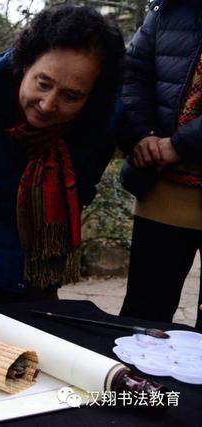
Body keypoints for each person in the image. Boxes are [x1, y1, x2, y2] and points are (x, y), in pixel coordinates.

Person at [0, 5, 125, 307]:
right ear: (23, 66)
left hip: (42, 244)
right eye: (42, 84)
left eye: (71, 96)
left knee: (38, 314)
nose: (47, 104)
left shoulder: (102, 122)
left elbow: (85, 182)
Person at [118, 0, 202, 329]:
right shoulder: (166, 9)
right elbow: (130, 74)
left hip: (172, 156)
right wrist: (142, 136)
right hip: (163, 188)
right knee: (143, 319)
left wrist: (180, 146)